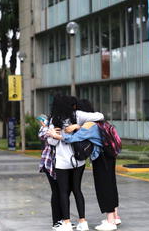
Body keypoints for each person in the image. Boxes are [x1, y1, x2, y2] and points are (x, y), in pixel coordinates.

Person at [52, 99, 121, 231]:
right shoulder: (99, 123)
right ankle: (115, 217)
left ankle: (110, 222)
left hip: (101, 159)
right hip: (109, 157)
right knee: (111, 185)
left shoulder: (88, 126)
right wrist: (78, 127)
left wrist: (56, 136)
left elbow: (72, 139)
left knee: (103, 188)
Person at [46, 95, 89, 231]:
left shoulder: (55, 120)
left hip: (62, 162)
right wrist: (79, 126)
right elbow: (99, 116)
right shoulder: (77, 116)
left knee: (63, 192)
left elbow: (52, 143)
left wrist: (53, 135)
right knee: (77, 190)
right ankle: (83, 221)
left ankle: (66, 223)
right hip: (78, 160)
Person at [37, 114, 63, 229]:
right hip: (50, 163)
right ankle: (56, 221)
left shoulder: (67, 123)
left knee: (63, 192)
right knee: (56, 191)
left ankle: (64, 220)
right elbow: (42, 134)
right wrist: (50, 130)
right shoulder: (49, 124)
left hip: (63, 163)